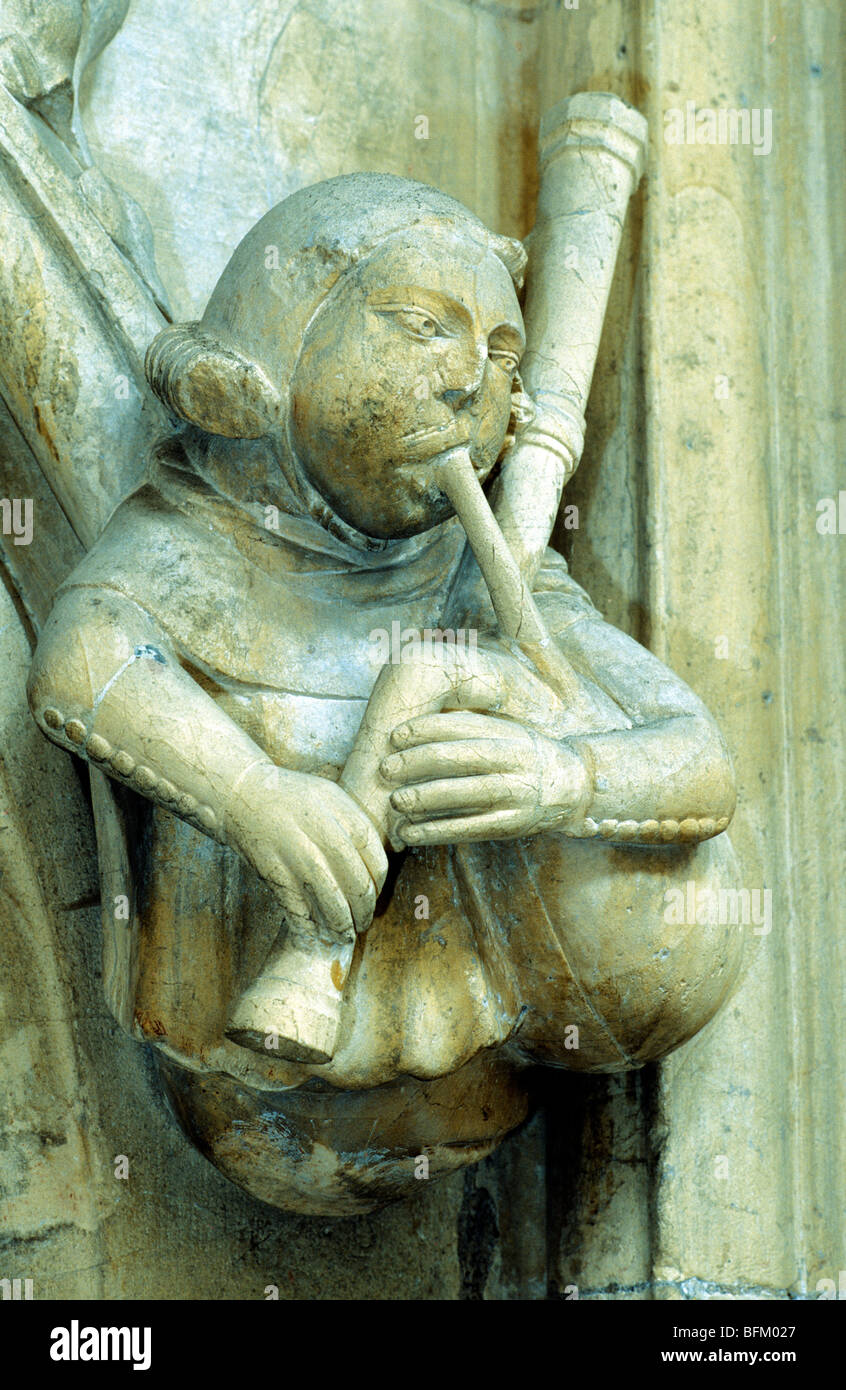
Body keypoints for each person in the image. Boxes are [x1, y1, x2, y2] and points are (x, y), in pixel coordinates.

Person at [28, 174, 742, 1211]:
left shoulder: (489, 566)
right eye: (425, 329)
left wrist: (565, 776)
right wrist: (251, 795)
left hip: (493, 1063)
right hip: (265, 1085)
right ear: (277, 352)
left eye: (503, 355)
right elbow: (84, 657)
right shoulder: (201, 538)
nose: (472, 386)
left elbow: (701, 760)